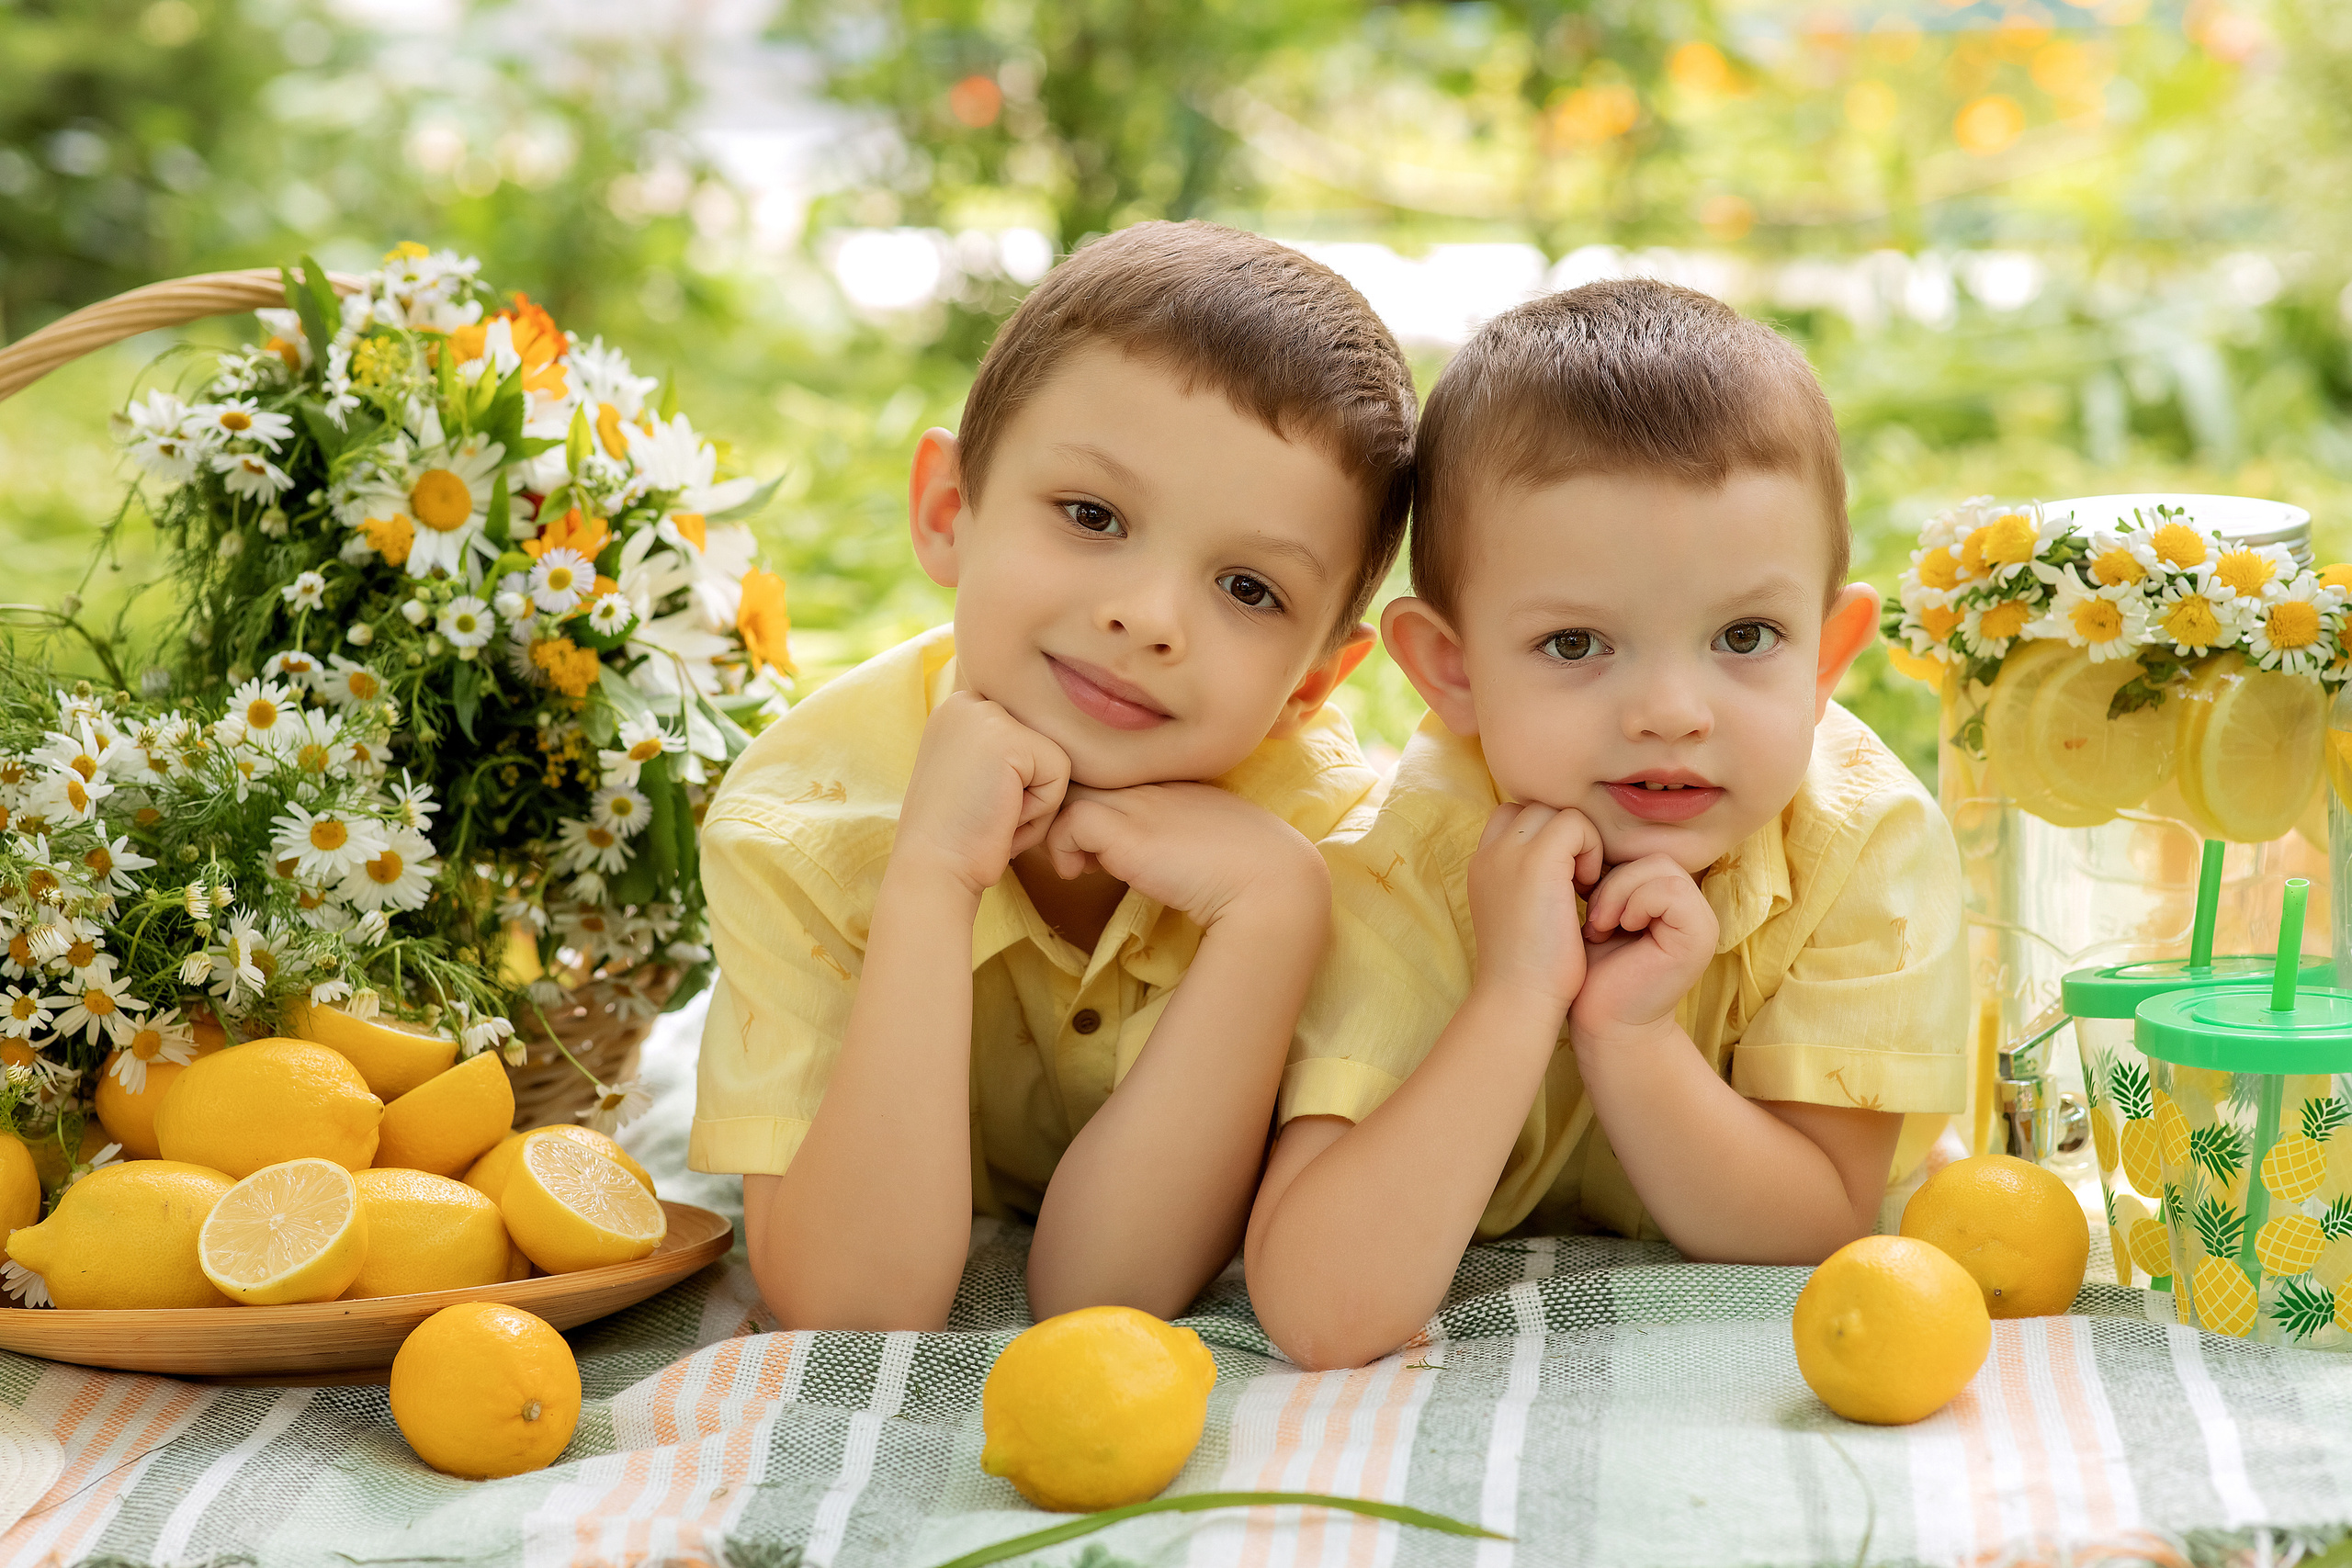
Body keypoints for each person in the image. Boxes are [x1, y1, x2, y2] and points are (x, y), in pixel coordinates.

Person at [690, 221, 1418, 1331]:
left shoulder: (1331, 843)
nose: (1148, 616)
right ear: (949, 512)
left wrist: (1272, 916)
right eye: (1092, 516)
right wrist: (931, 876)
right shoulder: (802, 827)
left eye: (1247, 589)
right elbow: (852, 1305)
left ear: (1316, 681)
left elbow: (1105, 1293)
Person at [1244, 279, 1968, 1371]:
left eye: (1745, 636)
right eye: (1577, 644)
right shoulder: (1415, 858)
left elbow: (1817, 1224)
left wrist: (1629, 1039)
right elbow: (1322, 1311)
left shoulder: (1863, 845)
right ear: (1453, 671)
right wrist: (1515, 996)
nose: (1672, 713)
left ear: (1825, 657)